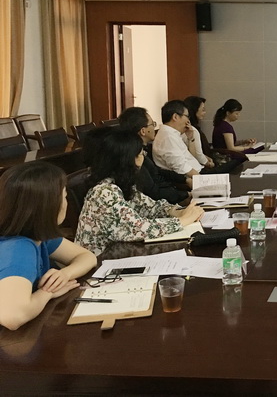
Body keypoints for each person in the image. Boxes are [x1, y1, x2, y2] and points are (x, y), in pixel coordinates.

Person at [0, 161, 97, 330]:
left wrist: (64, 274)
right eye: (64, 197)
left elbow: (87, 257)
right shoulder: (19, 248)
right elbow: (12, 317)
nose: (66, 203)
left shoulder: (36, 233)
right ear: (49, 207)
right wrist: (47, 292)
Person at [76, 129, 203, 255]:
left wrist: (177, 212)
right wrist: (183, 220)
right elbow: (138, 228)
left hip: (121, 253)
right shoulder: (104, 192)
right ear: (130, 160)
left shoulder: (121, 184)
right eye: (142, 154)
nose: (143, 158)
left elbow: (151, 208)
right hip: (99, 262)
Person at [118, 107, 190, 204]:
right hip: (160, 204)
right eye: (153, 124)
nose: (154, 128)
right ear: (143, 131)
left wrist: (185, 179)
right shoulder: (134, 157)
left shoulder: (144, 150)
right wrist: (185, 195)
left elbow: (157, 172)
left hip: (170, 195)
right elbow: (153, 192)